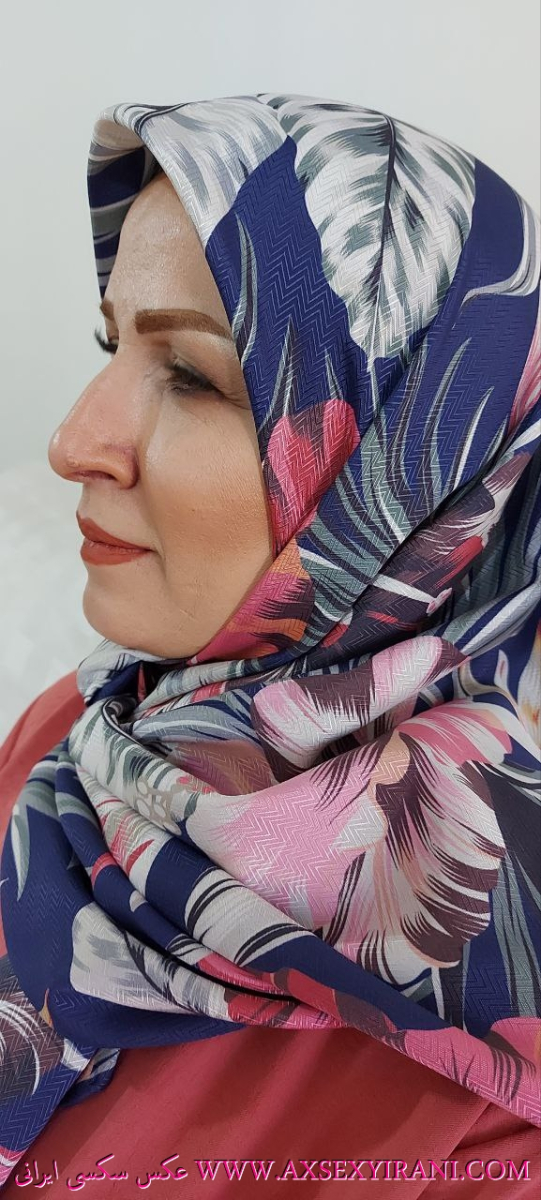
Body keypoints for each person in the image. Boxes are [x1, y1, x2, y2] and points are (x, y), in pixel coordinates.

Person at [0, 93, 539, 1197]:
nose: (72, 441)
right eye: (112, 342)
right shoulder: (77, 729)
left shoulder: (493, 1068)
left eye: (195, 377)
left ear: (415, 471)